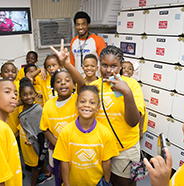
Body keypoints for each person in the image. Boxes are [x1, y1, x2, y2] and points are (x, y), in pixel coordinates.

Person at [90, 45, 147, 186]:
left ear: (120, 66)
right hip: (101, 148)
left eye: (114, 66)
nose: (109, 70)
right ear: (99, 65)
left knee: (125, 183)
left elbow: (133, 121)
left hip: (125, 148)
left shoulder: (132, 85)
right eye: (104, 65)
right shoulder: (94, 86)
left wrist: (127, 93)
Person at [53, 85, 119, 185]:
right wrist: (66, 184)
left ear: (98, 108)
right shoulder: (66, 131)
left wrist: (106, 182)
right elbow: (64, 161)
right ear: (76, 105)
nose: (87, 105)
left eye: (92, 102)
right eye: (82, 101)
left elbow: (106, 162)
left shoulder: (105, 133)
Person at [40, 41, 85, 186]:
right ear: (53, 86)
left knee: (77, 176)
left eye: (67, 80)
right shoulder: (48, 105)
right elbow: (44, 128)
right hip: (58, 149)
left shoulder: (77, 100)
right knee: (60, 178)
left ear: (73, 85)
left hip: (77, 147)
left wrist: (66, 64)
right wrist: (56, 142)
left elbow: (82, 83)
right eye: (58, 81)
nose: (63, 83)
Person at [17, 78, 52, 186]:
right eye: (25, 95)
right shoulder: (22, 108)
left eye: (31, 93)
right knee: (35, 162)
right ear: (21, 97)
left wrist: (32, 140)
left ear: (35, 94)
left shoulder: (37, 109)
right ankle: (47, 172)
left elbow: (41, 130)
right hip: (25, 141)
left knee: (35, 166)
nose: (28, 97)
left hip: (33, 143)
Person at [70, 11, 105, 75]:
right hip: (79, 80)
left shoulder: (98, 40)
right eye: (78, 24)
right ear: (75, 25)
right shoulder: (73, 41)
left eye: (83, 24)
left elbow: (104, 61)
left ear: (88, 24)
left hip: (94, 80)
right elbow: (72, 62)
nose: (80, 27)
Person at [120, 61, 147, 139]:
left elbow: (141, 109)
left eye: (130, 69)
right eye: (124, 67)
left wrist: (141, 129)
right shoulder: (116, 82)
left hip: (135, 125)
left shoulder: (134, 84)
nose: (126, 70)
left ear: (132, 72)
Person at [0, 62, 21, 135]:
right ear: (0, 74)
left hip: (18, 126)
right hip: (6, 128)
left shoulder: (19, 85)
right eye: (6, 71)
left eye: (13, 71)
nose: (10, 73)